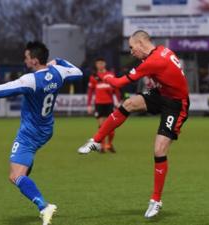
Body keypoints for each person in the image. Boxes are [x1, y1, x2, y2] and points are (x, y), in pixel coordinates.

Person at [77, 30, 190, 218]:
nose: (131, 52)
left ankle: (155, 200)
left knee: (159, 150)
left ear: (140, 43)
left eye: (131, 47)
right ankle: (96, 141)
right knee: (128, 104)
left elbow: (119, 83)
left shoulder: (153, 61)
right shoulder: (162, 50)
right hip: (162, 94)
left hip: (177, 104)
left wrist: (104, 77)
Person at [0, 41, 82, 225]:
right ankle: (28, 177)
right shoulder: (58, 73)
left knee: (15, 176)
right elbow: (78, 72)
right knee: (19, 174)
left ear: (35, 61)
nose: (25, 59)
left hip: (30, 133)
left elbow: (7, 88)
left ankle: (44, 207)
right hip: (46, 129)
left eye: (27, 57)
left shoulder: (31, 80)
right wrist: (59, 60)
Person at [82, 58, 121, 153]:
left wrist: (118, 101)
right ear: (96, 65)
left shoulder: (110, 75)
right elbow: (90, 91)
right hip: (98, 104)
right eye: (98, 63)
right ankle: (103, 146)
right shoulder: (93, 77)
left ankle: (109, 144)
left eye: (101, 63)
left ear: (105, 64)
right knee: (101, 126)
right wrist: (89, 105)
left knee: (111, 126)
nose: (100, 65)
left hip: (109, 103)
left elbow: (116, 89)